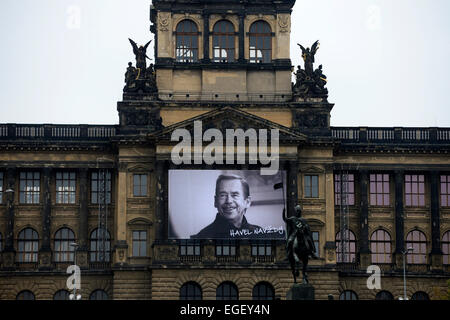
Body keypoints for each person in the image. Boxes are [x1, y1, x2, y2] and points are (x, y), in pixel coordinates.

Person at [191, 174, 275, 239]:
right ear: (215, 202)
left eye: (235, 195)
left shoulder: (260, 234)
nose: (228, 201)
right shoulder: (202, 238)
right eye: (223, 195)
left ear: (247, 202)